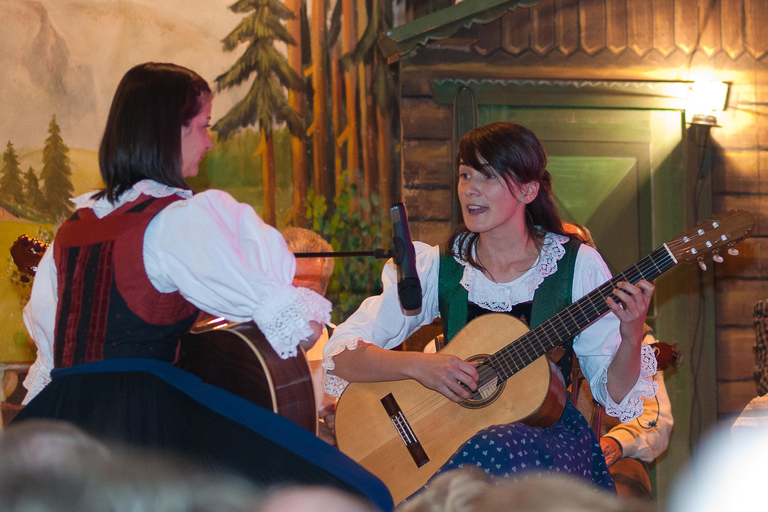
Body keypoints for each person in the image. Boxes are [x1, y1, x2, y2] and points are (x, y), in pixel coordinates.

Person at [13, 62, 392, 512]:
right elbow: (302, 326)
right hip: (146, 410)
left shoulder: (74, 227)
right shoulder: (176, 220)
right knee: (354, 491)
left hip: (62, 410)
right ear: (165, 132)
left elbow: (52, 347)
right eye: (203, 127)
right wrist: (292, 317)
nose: (209, 142)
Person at [323, 122, 658, 493]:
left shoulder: (577, 266)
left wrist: (630, 335)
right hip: (452, 443)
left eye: (488, 176)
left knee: (488, 450)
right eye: (465, 174)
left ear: (528, 190)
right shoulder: (439, 267)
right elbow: (341, 355)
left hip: (545, 448)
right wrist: (419, 366)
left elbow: (612, 393)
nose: (470, 189)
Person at [563, 223, 674, 501]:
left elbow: (655, 420)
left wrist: (617, 442)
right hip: (533, 457)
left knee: (623, 491)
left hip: (604, 459)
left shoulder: (636, 340)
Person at [281, 226, 338, 445]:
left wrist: (342, 423)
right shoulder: (247, 347)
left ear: (324, 290)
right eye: (292, 290)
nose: (300, 304)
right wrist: (311, 430)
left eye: (311, 292)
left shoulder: (340, 343)